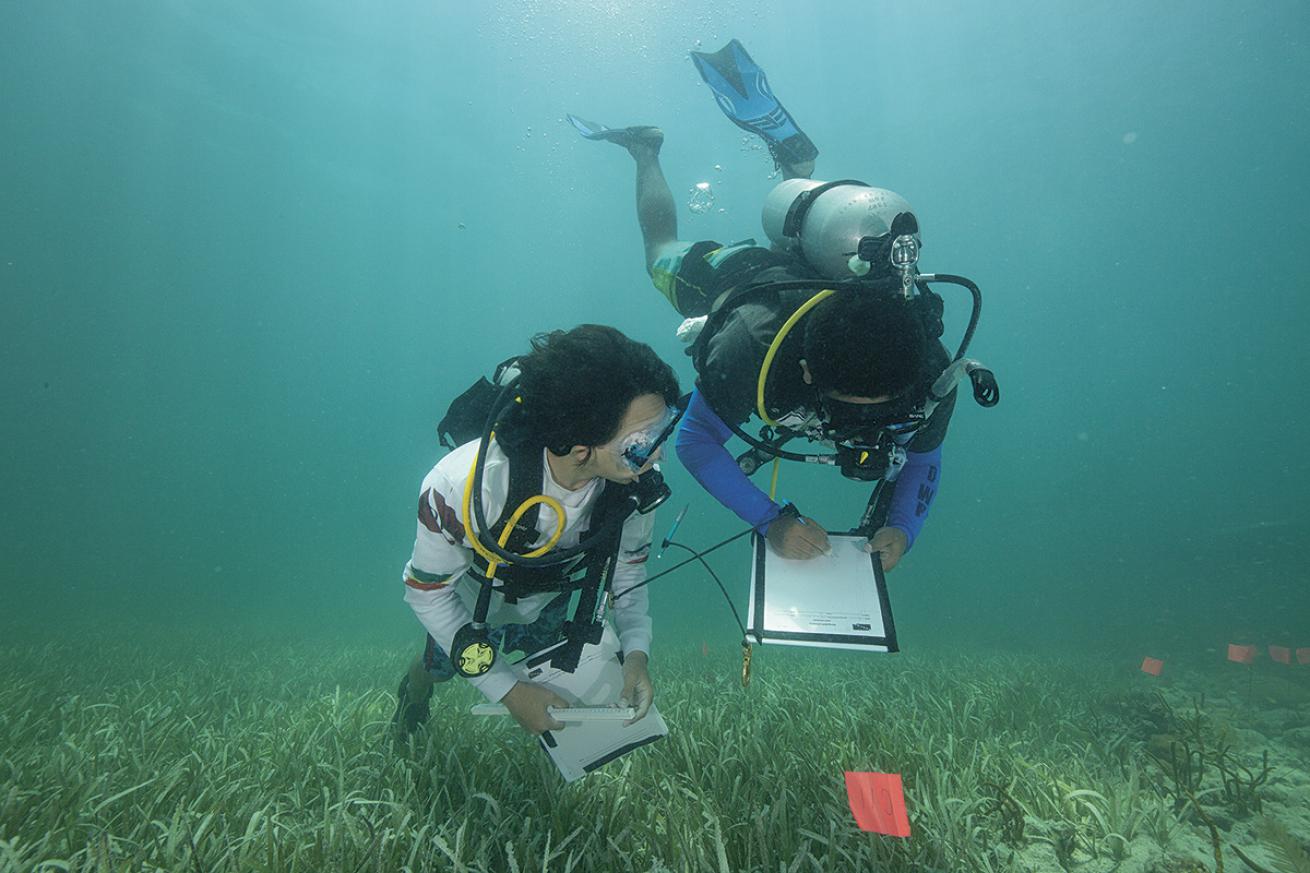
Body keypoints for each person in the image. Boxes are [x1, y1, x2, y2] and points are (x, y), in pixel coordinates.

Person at [570, 39, 996, 571]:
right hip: (742, 278)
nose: (859, 430)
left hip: (829, 270)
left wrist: (903, 528)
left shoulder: (929, 369)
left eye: (882, 413)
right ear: (804, 370)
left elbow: (924, 454)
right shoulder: (751, 345)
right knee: (657, 255)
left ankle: (799, 169)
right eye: (845, 410)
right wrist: (770, 519)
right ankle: (646, 150)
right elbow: (696, 441)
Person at [392, 324, 682, 738]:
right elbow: (428, 592)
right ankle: (415, 690)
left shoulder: (632, 483)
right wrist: (508, 692)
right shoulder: (462, 484)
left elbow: (628, 573)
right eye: (640, 442)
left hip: (551, 601)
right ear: (581, 447)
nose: (656, 456)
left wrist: (636, 655)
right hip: (475, 602)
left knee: (554, 687)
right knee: (436, 669)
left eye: (663, 431)